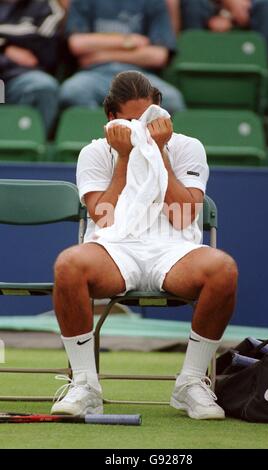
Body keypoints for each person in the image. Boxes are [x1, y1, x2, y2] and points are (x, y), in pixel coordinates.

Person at [51, 70, 238, 420]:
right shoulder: (93, 153)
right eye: (132, 121)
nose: (143, 127)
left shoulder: (187, 147)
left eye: (150, 118)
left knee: (223, 269)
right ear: (111, 119)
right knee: (68, 265)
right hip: (115, 247)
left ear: (161, 113)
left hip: (173, 250)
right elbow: (104, 218)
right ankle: (85, 384)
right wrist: (124, 158)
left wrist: (161, 153)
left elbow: (183, 217)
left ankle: (191, 383)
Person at [59, 0, 185, 115]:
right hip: (95, 73)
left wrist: (102, 54)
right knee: (72, 91)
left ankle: (141, 137)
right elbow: (77, 44)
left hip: (140, 77)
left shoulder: (153, 2)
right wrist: (130, 41)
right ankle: (101, 135)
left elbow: (159, 55)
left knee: (171, 100)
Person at [0, 0, 65, 135]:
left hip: (19, 77)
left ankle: (31, 151)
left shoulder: (45, 6)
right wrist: (6, 47)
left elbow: (43, 48)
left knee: (43, 87)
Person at [180, 0, 268, 61]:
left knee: (266, 4)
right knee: (193, 2)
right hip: (210, 5)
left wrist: (229, 15)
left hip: (247, 6)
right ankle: (194, 64)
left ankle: (261, 69)